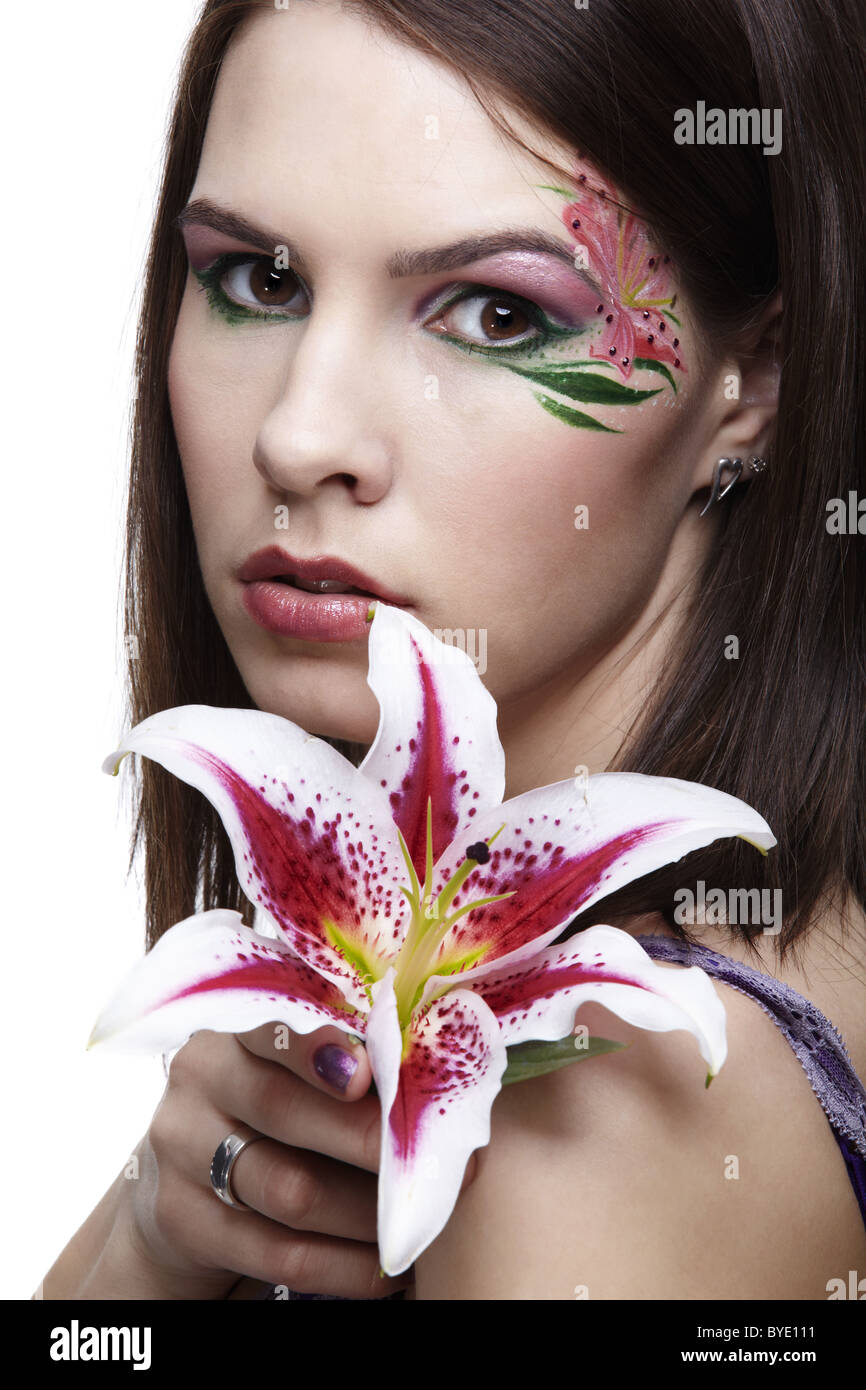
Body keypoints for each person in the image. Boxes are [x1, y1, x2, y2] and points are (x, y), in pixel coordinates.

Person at [38, 0, 865, 1300]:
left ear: (748, 383)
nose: (300, 438)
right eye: (259, 279)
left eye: (491, 313)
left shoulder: (598, 1110)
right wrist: (151, 1242)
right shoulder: (793, 934)